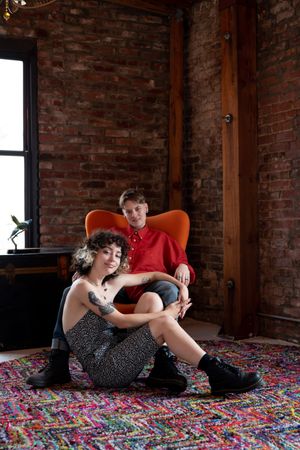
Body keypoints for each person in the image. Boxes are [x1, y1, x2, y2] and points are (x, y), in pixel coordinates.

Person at [26, 188, 196, 391]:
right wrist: (86, 274)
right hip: (118, 285)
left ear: (146, 208)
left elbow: (179, 262)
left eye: (138, 209)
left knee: (167, 288)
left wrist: (183, 267)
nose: (134, 215)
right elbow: (97, 260)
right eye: (128, 211)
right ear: (123, 213)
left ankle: (163, 363)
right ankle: (58, 361)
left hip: (148, 286)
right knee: (69, 291)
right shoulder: (115, 238)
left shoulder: (163, 239)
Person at [61, 230, 262, 395]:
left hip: (117, 352)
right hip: (105, 370)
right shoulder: (81, 287)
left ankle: (162, 367)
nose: (113, 258)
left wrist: (181, 286)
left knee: (152, 298)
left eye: (118, 254)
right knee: (163, 321)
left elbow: (153, 275)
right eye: (106, 251)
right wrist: (166, 314)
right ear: (92, 253)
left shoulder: (113, 282)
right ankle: (216, 372)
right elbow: (120, 321)